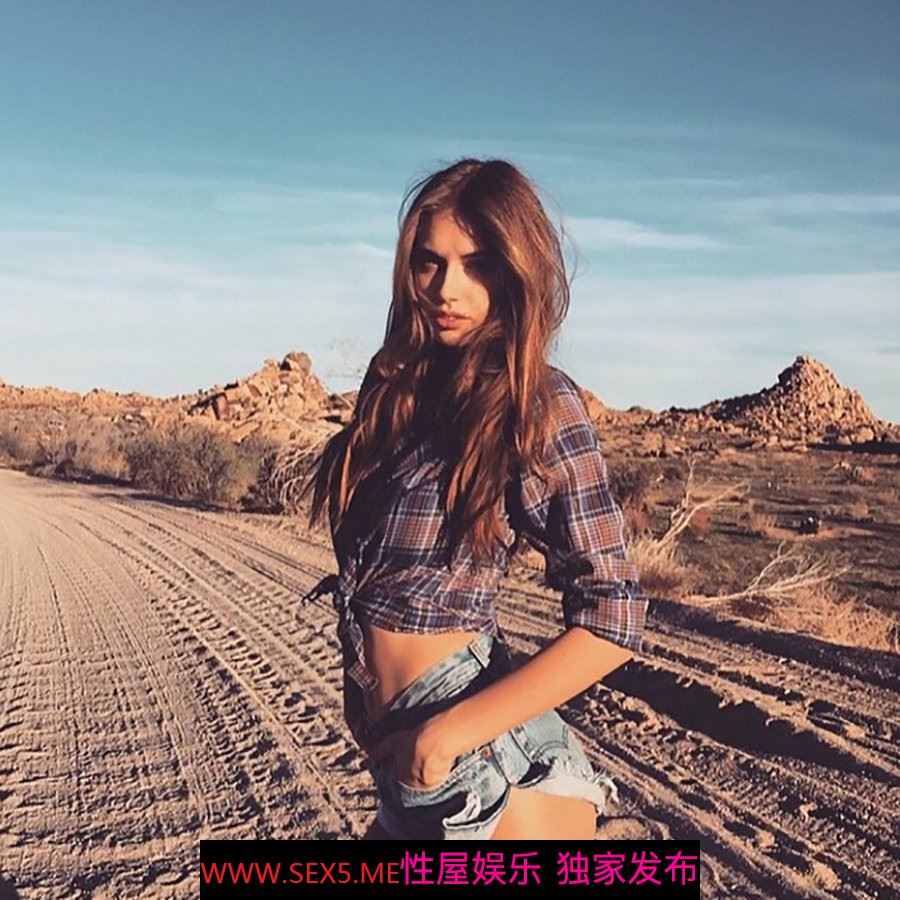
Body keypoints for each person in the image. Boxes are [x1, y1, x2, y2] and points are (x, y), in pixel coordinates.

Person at [298, 157, 649, 840]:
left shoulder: (536, 402)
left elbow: (614, 615)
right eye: (428, 262)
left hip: (489, 776)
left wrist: (446, 735)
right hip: (417, 768)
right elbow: (369, 581)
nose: (445, 288)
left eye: (477, 264)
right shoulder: (394, 386)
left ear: (515, 272)